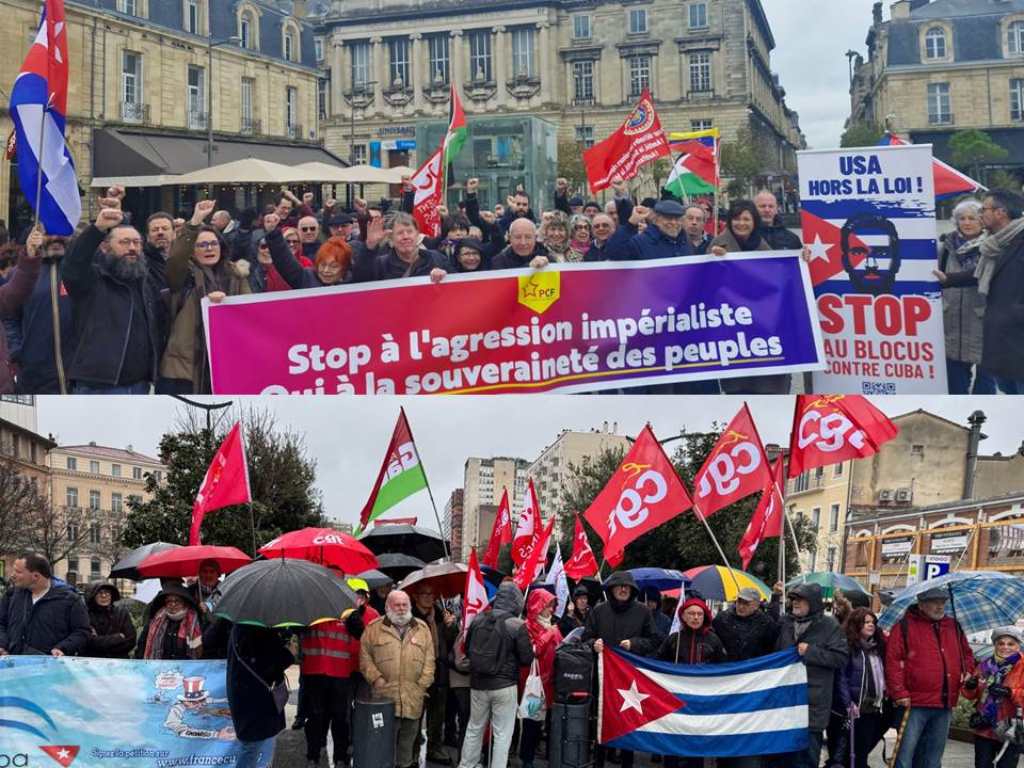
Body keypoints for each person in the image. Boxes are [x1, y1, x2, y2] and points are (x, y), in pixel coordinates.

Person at [63, 188, 165, 394]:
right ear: (105, 247)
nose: (132, 248)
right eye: (124, 242)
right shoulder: (92, 280)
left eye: (137, 242)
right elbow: (74, 263)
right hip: (98, 385)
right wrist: (98, 228)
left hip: (140, 385)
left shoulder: (144, 281)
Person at [158, 200, 251, 394]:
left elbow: (249, 314)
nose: (209, 248)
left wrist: (226, 305)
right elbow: (175, 260)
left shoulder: (236, 276)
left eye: (213, 243)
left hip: (227, 364)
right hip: (185, 370)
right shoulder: (183, 275)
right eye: (202, 245)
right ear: (192, 251)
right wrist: (194, 222)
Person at [886, 586, 976, 768]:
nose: (940, 606)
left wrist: (968, 670)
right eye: (935, 602)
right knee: (905, 756)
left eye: (942, 602)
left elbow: (966, 654)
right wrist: (899, 692)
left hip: (945, 701)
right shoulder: (904, 626)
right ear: (921, 604)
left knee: (933, 757)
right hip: (914, 702)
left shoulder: (954, 626)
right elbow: (893, 661)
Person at [712, 199, 792, 396]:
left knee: (769, 388)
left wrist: (802, 258)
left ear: (754, 221)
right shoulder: (717, 245)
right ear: (729, 221)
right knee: (739, 389)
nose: (741, 223)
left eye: (746, 219)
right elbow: (706, 285)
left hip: (765, 329)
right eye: (736, 219)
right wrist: (714, 261)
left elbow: (783, 276)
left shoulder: (764, 246)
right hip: (734, 331)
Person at [583, 571, 660, 768]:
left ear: (633, 590)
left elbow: (654, 640)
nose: (623, 589)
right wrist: (594, 644)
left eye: (627, 587)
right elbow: (585, 637)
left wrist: (634, 644)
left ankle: (627, 763)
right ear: (612, 589)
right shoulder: (599, 611)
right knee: (602, 721)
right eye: (620, 586)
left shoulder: (643, 611)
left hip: (630, 678)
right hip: (603, 678)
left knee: (628, 723)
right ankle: (598, 763)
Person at [458, 582, 534, 768]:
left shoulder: (478, 619)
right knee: (502, 734)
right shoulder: (517, 625)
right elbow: (526, 659)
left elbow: (466, 648)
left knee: (474, 728)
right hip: (505, 685)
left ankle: (466, 765)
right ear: (516, 601)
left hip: (478, 684)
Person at [773, 583, 849, 768]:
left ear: (813, 602)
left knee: (806, 760)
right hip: (785, 705)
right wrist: (775, 598)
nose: (795, 603)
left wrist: (811, 652)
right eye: (793, 599)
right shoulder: (786, 623)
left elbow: (840, 658)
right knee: (782, 761)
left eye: (800, 599)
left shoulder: (829, 625)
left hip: (812, 707)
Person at [359, 590, 435, 768]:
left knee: (407, 747)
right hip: (384, 699)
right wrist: (376, 679)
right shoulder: (373, 628)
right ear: (387, 607)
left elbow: (430, 661)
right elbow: (364, 658)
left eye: (404, 605)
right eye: (397, 605)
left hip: (413, 699)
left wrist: (422, 685)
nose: (401, 608)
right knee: (383, 746)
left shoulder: (422, 628)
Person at [932, 198, 996, 394]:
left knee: (986, 386)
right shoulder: (945, 248)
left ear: (982, 221)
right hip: (951, 323)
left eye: (972, 218)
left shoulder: (993, 247)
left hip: (984, 321)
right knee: (955, 387)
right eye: (962, 218)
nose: (967, 222)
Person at [966, 190, 1024, 393]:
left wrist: (1015, 313)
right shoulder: (997, 242)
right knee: (1010, 396)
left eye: (984, 209)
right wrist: (947, 279)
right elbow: (981, 274)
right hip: (1002, 342)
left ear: (1001, 212)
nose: (980, 214)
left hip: (1018, 338)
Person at [4, 228, 66, 394]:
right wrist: (18, 351)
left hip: (78, 375)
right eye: (49, 232)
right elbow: (9, 317)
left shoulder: (82, 271)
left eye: (61, 231)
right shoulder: (20, 275)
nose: (55, 237)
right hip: (35, 374)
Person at [226, 623, 295, 768]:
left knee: (251, 746)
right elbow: (270, 664)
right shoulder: (260, 631)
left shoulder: (240, 626)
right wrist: (290, 653)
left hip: (242, 694)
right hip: (256, 700)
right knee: (251, 749)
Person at [0, 552, 90, 656]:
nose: (12, 575)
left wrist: (62, 648)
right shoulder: (11, 595)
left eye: (18, 572)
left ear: (36, 576)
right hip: (12, 663)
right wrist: (2, 645)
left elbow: (82, 631)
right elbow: (1, 623)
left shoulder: (70, 600)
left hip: (50, 664)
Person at [833, 608, 887, 768]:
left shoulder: (876, 648)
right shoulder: (850, 647)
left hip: (872, 708)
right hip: (854, 709)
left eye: (873, 622)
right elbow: (841, 677)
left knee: (862, 752)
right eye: (866, 622)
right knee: (850, 754)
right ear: (856, 625)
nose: (871, 625)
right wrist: (848, 703)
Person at [410, 584, 458, 766]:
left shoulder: (440, 615)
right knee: (416, 716)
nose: (429, 597)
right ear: (416, 596)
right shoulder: (411, 617)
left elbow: (452, 642)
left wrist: (450, 626)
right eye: (424, 593)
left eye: (432, 594)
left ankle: (434, 748)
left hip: (439, 672)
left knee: (438, 716)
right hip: (418, 673)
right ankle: (413, 753)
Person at [964, 627, 1024, 768]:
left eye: (1011, 644)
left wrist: (1010, 692)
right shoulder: (985, 665)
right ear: (995, 645)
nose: (1005, 647)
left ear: (1018, 646)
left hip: (1010, 728)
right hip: (985, 727)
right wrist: (970, 687)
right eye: (1001, 643)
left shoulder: (1022, 666)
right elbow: (971, 695)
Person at [519, 589, 563, 768]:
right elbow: (534, 650)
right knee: (531, 722)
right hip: (535, 684)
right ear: (538, 606)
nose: (551, 610)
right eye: (548, 606)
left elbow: (561, 648)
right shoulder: (527, 626)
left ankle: (549, 757)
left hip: (551, 682)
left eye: (552, 606)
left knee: (546, 723)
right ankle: (527, 759)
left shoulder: (552, 626)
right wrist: (550, 633)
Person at [351, 212, 448, 283]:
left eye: (409, 231)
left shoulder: (437, 259)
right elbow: (360, 282)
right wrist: (369, 247)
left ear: (417, 234)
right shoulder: (381, 265)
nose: (406, 236)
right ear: (391, 239)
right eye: (400, 233)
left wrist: (445, 276)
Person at [265, 212, 351, 289]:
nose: (326, 271)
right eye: (323, 265)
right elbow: (284, 261)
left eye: (334, 266)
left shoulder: (353, 283)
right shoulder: (306, 278)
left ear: (344, 268)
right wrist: (274, 234)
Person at [712, 586, 781, 662]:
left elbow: (772, 647)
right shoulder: (722, 619)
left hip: (754, 666)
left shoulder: (766, 622)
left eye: (746, 603)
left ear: (756, 606)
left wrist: (775, 596)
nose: (741, 606)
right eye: (739, 601)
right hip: (727, 666)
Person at [136, 584, 204, 660]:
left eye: (177, 601)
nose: (173, 604)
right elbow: (142, 645)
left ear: (184, 602)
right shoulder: (156, 620)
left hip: (187, 666)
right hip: (160, 666)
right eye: (169, 601)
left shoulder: (194, 621)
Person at [617, 199, 693, 261]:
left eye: (677, 219)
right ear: (656, 219)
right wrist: (630, 225)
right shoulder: (639, 243)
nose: (674, 222)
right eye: (668, 218)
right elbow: (616, 255)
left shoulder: (686, 243)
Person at [84, 581, 137, 659]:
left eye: (107, 592)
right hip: (93, 661)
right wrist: (118, 638)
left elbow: (131, 640)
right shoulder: (85, 614)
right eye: (99, 593)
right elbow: (88, 642)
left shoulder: (122, 612)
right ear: (92, 595)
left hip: (119, 661)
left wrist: (100, 642)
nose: (104, 595)